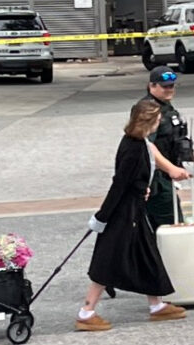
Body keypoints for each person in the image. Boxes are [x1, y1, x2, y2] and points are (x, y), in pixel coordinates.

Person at [76, 99, 188, 332]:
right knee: (108, 260)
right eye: (157, 119)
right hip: (125, 213)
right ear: (150, 121)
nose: (160, 123)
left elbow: (133, 180)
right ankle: (86, 312)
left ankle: (156, 304)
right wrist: (102, 217)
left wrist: (141, 190)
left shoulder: (137, 143)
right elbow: (119, 185)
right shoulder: (134, 148)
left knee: (147, 253)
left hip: (135, 208)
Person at [144, 66, 194, 227]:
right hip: (155, 180)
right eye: (164, 86)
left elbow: (170, 141)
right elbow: (146, 145)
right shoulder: (149, 109)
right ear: (151, 86)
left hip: (165, 177)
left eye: (172, 85)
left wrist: (191, 155)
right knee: (172, 226)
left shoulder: (166, 107)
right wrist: (170, 169)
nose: (169, 89)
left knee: (168, 225)